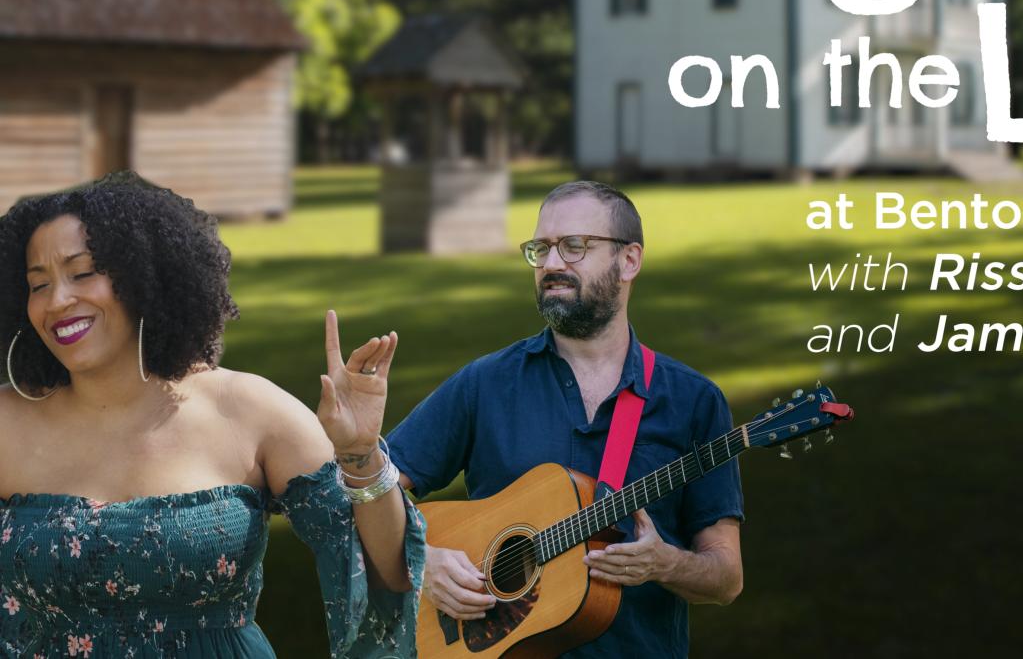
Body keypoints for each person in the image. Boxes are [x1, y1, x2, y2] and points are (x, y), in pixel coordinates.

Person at [0, 173, 425, 657]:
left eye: (82, 273)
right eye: (38, 284)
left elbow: (387, 571)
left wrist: (360, 454)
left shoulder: (247, 410)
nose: (57, 301)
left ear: (145, 275)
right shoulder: (7, 422)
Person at [388, 180, 743, 657]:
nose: (552, 264)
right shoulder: (485, 384)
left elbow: (725, 577)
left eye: (574, 246)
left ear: (629, 260)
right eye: (541, 249)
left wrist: (664, 564)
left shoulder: (693, 401)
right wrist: (422, 559)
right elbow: (371, 492)